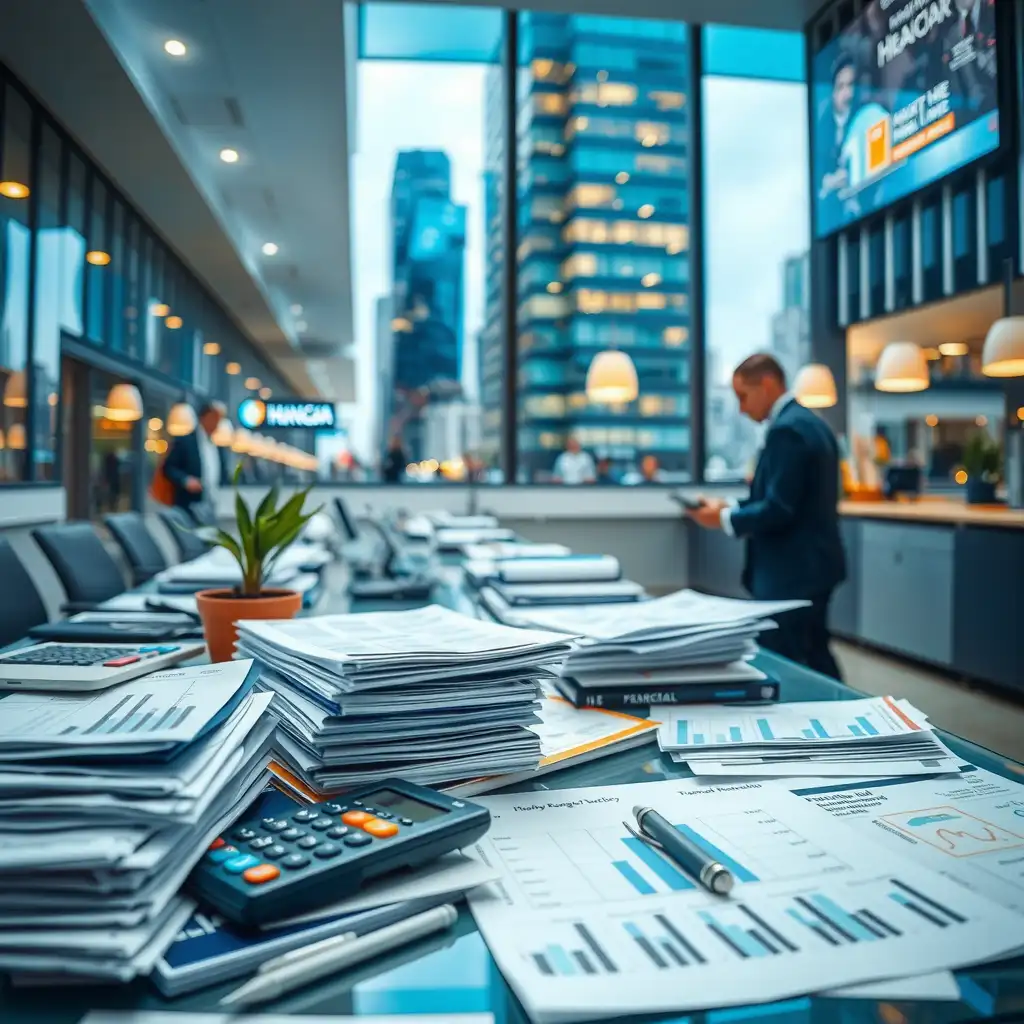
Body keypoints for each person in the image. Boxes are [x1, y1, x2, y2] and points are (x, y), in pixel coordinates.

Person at [687, 354, 846, 680]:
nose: (742, 409)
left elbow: (779, 509)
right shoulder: (812, 424)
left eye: (743, 396)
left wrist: (725, 519)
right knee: (814, 655)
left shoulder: (787, 431)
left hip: (791, 572)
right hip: (814, 567)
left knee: (786, 663)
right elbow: (785, 497)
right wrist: (727, 506)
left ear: (769, 384)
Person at [163, 401, 224, 525]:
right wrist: (185, 480)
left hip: (209, 504)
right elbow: (168, 468)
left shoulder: (215, 445)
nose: (217, 423)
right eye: (214, 418)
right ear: (204, 417)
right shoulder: (186, 441)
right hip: (188, 505)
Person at [817, 54, 856, 201]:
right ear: (833, 93)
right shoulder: (820, 131)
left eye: (851, 85)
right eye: (841, 87)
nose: (848, 94)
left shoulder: (864, 115)